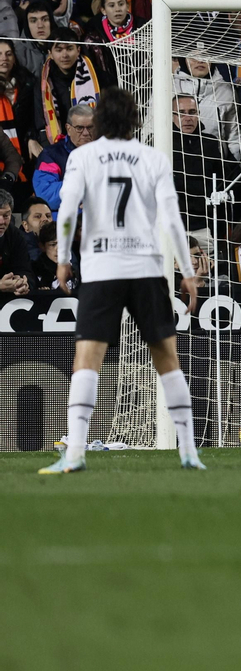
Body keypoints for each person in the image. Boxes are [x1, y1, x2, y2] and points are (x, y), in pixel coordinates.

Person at [39, 87, 201, 474]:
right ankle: (190, 452)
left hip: (101, 269)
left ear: (99, 124)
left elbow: (65, 211)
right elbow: (172, 219)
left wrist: (63, 260)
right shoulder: (152, 158)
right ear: (134, 121)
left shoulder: (82, 157)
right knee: (167, 360)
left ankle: (75, 452)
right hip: (145, 268)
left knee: (87, 360)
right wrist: (189, 271)